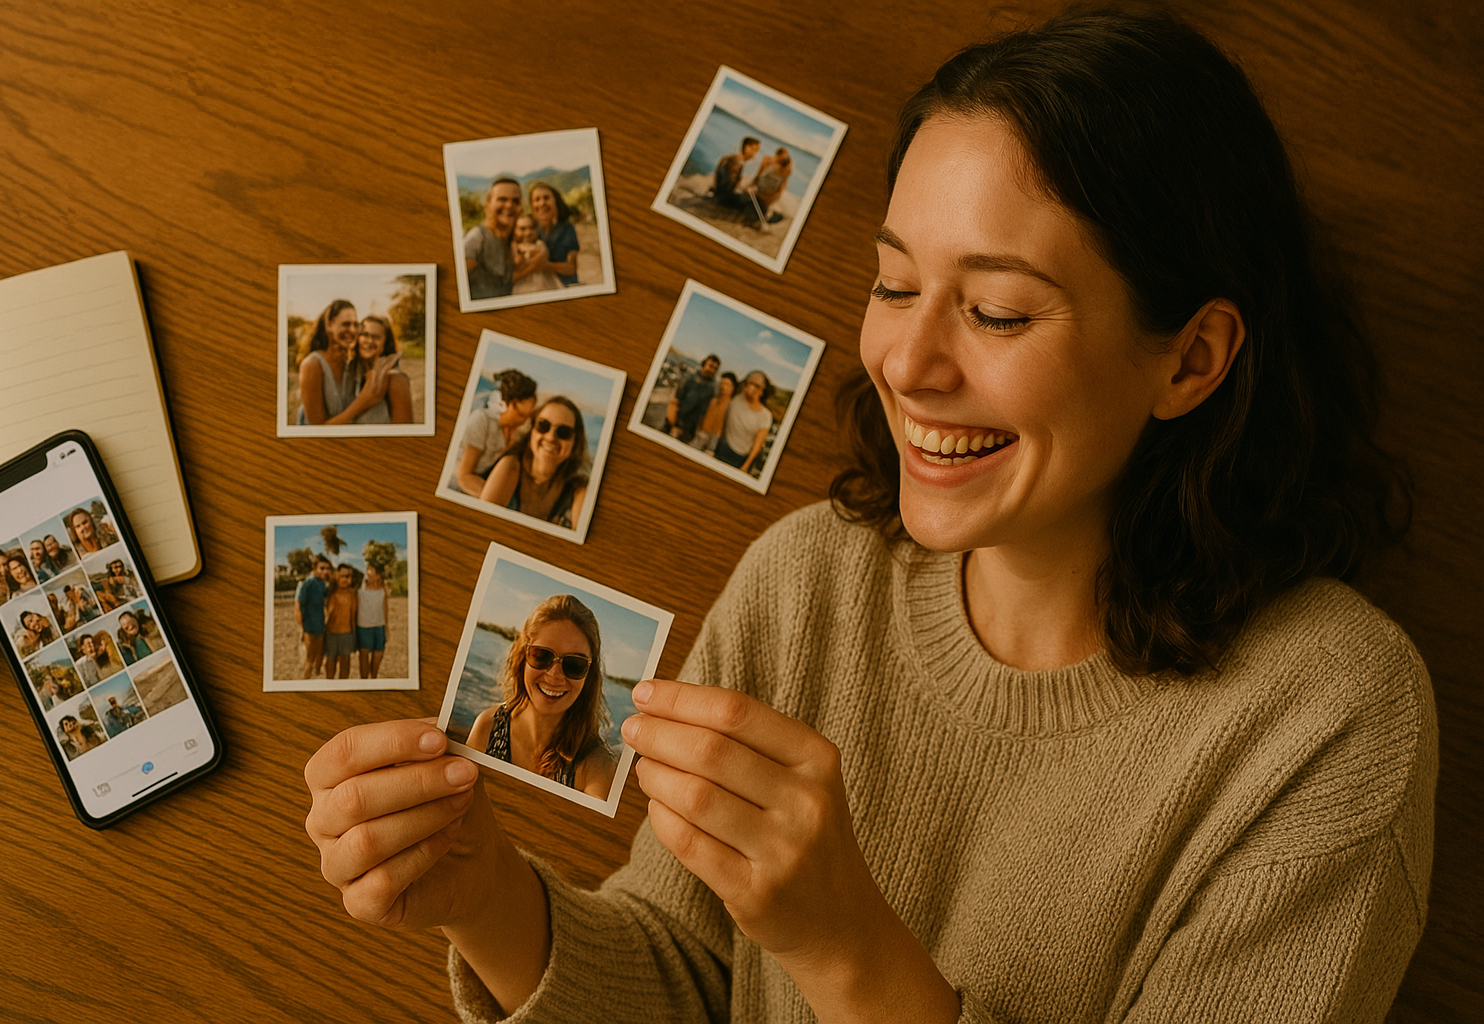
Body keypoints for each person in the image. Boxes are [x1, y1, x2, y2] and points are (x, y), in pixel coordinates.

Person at [302, 10, 1434, 1023]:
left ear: (1189, 360)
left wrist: (844, 947)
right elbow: (690, 983)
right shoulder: (810, 577)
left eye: (997, 311)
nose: (906, 361)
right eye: (894, 284)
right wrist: (489, 899)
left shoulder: (1330, 717)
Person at [461, 594, 615, 800]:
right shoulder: (487, 727)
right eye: (542, 655)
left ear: (589, 675)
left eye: (574, 664)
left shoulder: (595, 766)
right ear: (523, 656)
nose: (554, 675)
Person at [479, 397, 590, 531]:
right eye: (543, 426)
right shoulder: (510, 465)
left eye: (563, 432)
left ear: (575, 442)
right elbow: (483, 525)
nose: (550, 437)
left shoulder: (579, 490)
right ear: (532, 431)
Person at [296, 299, 398, 426]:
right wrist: (364, 401)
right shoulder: (312, 364)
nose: (352, 330)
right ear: (329, 325)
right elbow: (317, 431)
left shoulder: (349, 366)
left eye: (355, 325)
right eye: (346, 324)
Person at [454, 369, 537, 497]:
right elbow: (464, 476)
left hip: (482, 482)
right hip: (458, 485)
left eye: (529, 416)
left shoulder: (516, 433)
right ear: (511, 405)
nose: (525, 421)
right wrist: (494, 499)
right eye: (522, 415)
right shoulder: (482, 420)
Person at [347, 315, 414, 425]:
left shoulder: (396, 380)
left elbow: (405, 431)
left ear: (386, 342)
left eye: (376, 337)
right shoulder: (350, 372)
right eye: (364, 334)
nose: (369, 341)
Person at [464, 178, 523, 299]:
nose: (509, 205)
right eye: (502, 199)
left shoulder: (511, 239)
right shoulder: (477, 238)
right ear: (488, 203)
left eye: (515, 201)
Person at [713, 370, 776, 475]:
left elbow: (758, 444)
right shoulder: (735, 398)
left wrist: (746, 466)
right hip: (723, 446)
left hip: (740, 457)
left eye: (758, 386)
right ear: (745, 385)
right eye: (751, 383)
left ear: (762, 391)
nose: (753, 388)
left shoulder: (765, 415)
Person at [529, 182, 580, 286]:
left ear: (555, 201)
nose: (542, 203)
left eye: (546, 198)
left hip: (565, 285)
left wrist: (541, 265)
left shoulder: (567, 228)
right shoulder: (530, 229)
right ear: (532, 205)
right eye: (537, 199)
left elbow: (571, 268)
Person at [664, 354, 720, 440]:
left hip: (690, 429)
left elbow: (705, 410)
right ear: (704, 364)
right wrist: (673, 423)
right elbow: (675, 400)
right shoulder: (688, 377)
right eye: (710, 366)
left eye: (715, 369)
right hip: (674, 421)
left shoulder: (712, 388)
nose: (712, 370)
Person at [295, 556, 332, 678]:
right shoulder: (306, 584)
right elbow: (298, 607)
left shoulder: (322, 584)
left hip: (320, 626)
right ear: (314, 568)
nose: (325, 571)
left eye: (327, 568)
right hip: (309, 627)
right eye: (322, 568)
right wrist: (301, 628)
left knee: (319, 657)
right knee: (309, 660)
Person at [508, 214, 562, 295]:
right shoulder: (513, 247)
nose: (528, 233)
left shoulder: (539, 244)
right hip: (523, 286)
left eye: (532, 228)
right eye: (522, 229)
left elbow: (542, 257)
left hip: (542, 284)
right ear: (514, 230)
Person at [323, 564, 359, 680]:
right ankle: (330, 686)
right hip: (331, 634)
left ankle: (343, 686)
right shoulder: (330, 594)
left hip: (347, 633)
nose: (345, 579)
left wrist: (354, 635)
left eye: (348, 576)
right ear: (337, 576)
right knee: (330, 661)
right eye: (343, 576)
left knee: (345, 662)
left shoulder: (353, 595)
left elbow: (354, 616)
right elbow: (326, 617)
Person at [356, 564, 390, 681]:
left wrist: (386, 627)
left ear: (378, 575)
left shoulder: (383, 590)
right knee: (364, 654)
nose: (368, 573)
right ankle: (364, 682)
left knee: (378, 654)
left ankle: (374, 678)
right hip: (364, 626)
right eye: (368, 571)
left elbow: (385, 608)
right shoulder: (360, 587)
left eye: (371, 571)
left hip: (379, 626)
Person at [691, 372, 737, 453]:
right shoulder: (713, 400)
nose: (723, 386)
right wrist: (698, 430)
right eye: (721, 383)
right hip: (701, 434)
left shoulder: (731, 406)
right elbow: (702, 416)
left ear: (732, 387)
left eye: (726, 384)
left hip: (714, 440)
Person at [710, 136, 760, 209]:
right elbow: (729, 185)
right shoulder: (736, 162)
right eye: (753, 149)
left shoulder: (731, 158)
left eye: (757, 151)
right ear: (746, 147)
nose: (755, 153)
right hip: (723, 198)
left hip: (718, 192)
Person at [746, 146, 792, 225]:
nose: (784, 158)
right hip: (761, 190)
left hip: (769, 193)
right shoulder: (768, 161)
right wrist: (753, 184)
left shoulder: (786, 169)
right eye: (783, 155)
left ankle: (766, 213)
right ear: (777, 154)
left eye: (785, 156)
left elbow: (783, 185)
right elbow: (759, 173)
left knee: (762, 207)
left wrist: (777, 195)